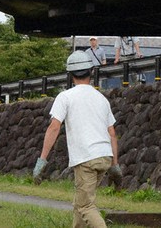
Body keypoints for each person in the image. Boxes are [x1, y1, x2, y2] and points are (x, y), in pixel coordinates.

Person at [34, 51, 120, 228]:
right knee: (80, 203)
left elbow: (54, 127)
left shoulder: (65, 97)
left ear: (70, 74)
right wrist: (115, 165)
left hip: (86, 158)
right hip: (104, 156)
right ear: (91, 71)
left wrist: (41, 160)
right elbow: (112, 132)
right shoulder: (101, 99)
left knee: (86, 206)